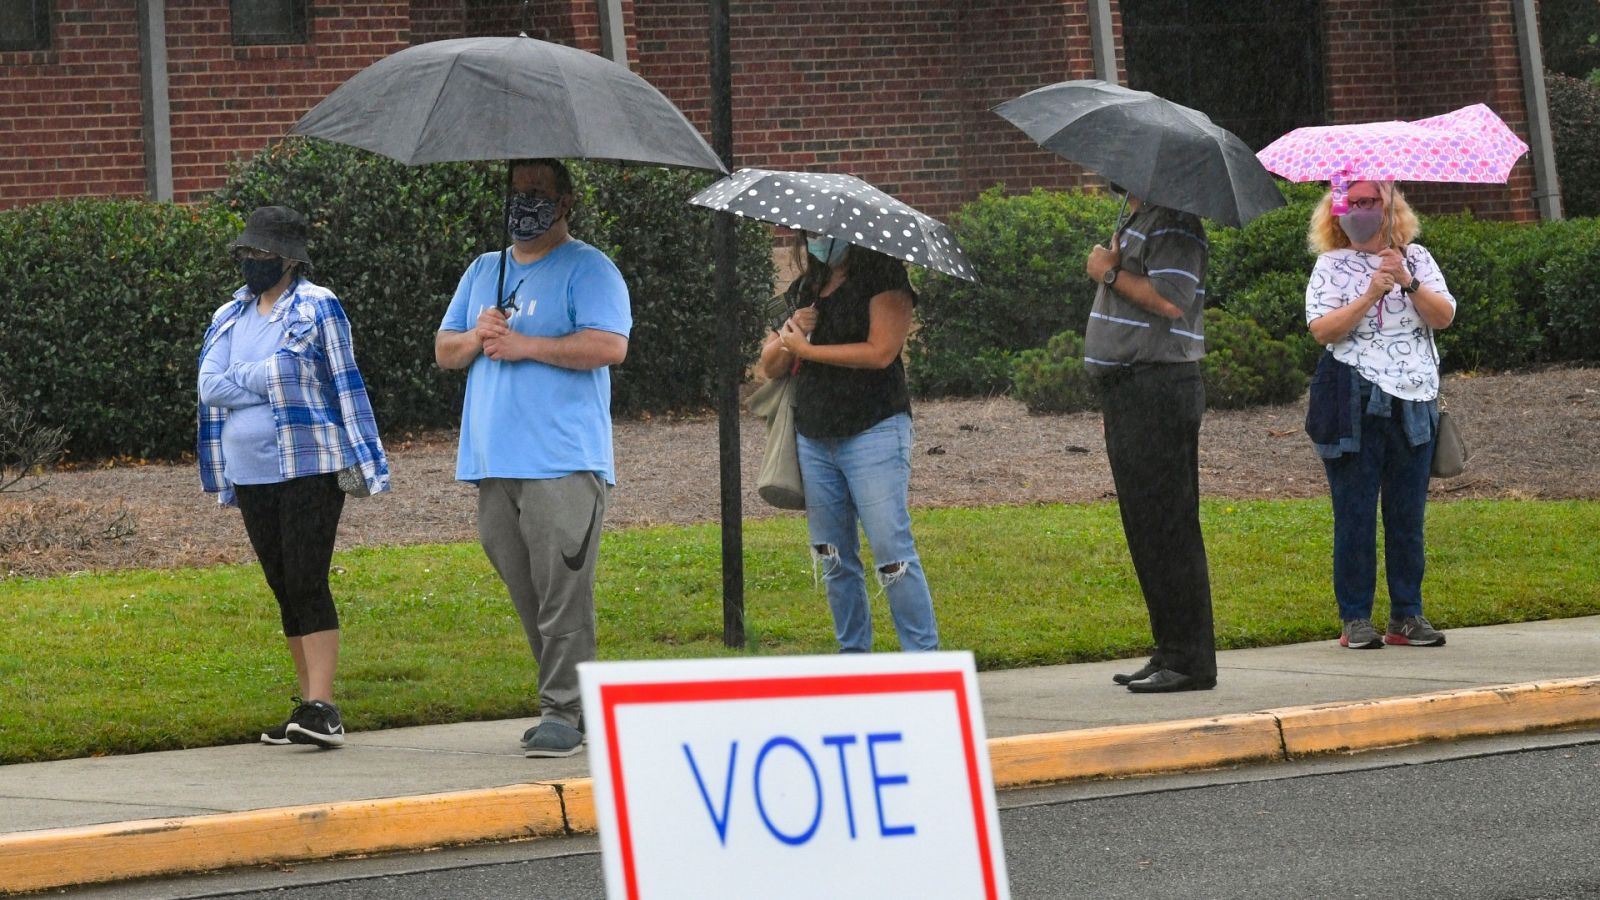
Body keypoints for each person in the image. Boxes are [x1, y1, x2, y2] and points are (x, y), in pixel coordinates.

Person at [435, 158, 631, 758]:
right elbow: (446, 350)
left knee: (561, 589)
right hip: (494, 463)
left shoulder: (589, 268)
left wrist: (527, 346)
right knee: (530, 590)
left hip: (561, 462)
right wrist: (478, 335)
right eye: (518, 192)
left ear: (565, 201)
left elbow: (609, 345)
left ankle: (563, 710)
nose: (526, 203)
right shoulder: (484, 270)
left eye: (539, 193)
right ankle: (571, 702)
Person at [198, 205, 390, 748]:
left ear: (288, 259)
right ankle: (304, 708)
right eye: (245, 253)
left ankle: (324, 707)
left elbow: (305, 374)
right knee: (283, 585)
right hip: (250, 469)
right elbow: (209, 385)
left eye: (261, 254)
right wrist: (259, 378)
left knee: (308, 578)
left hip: (309, 463)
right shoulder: (229, 314)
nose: (250, 262)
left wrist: (252, 377)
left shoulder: (317, 306)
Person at [758, 232, 939, 653]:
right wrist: (792, 337)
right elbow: (769, 365)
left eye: (826, 233)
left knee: (891, 552)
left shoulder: (884, 277)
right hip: (815, 435)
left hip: (874, 428)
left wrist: (810, 349)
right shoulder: (807, 287)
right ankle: (854, 660)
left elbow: (881, 352)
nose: (818, 240)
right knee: (832, 555)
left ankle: (924, 663)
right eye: (812, 233)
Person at [1304, 180, 1454, 650]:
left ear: (1391, 207)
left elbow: (1443, 316)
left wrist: (1406, 280)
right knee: (1355, 512)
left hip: (1414, 400)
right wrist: (1370, 292)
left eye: (1371, 201)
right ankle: (1356, 618)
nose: (1361, 210)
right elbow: (1322, 330)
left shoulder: (1419, 258)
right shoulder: (1330, 266)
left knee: (1407, 514)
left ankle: (1407, 615)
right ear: (1336, 213)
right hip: (1352, 397)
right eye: (1352, 202)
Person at [1082, 188, 1216, 693]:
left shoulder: (1176, 223)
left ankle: (1190, 661)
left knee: (1169, 527)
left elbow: (1172, 302)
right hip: (1131, 390)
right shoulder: (1142, 221)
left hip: (1159, 387)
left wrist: (1110, 273)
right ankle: (1169, 650)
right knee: (1146, 528)